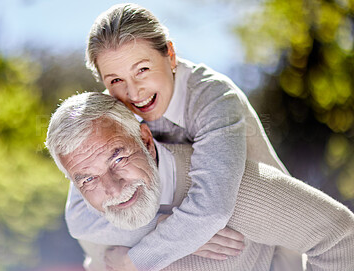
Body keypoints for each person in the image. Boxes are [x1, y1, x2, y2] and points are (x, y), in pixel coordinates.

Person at [68, 3, 294, 270]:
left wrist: (134, 260)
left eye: (142, 70)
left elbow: (212, 210)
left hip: (270, 248)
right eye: (116, 80)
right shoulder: (108, 118)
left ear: (171, 55)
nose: (134, 92)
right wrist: (162, 225)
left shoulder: (215, 98)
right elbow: (80, 220)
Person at [46, 92, 354, 271]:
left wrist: (189, 227)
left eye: (117, 157)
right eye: (86, 178)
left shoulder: (229, 186)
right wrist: (171, 234)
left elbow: (340, 238)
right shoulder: (95, 215)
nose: (112, 189)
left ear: (145, 140)